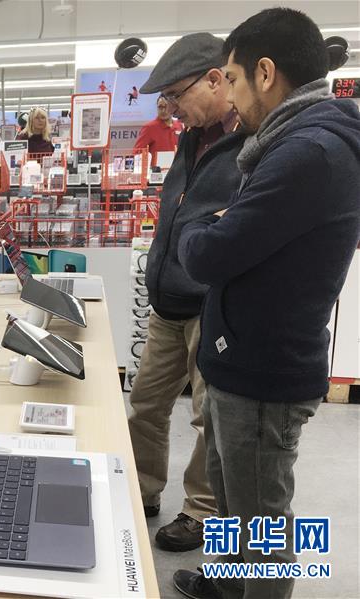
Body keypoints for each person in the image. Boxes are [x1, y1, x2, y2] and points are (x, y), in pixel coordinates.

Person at [174, 9, 360, 599]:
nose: (226, 96)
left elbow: (206, 252)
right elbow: (231, 239)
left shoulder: (307, 153)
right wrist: (219, 227)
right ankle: (229, 586)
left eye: (228, 79)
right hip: (245, 357)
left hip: (266, 368)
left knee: (263, 526)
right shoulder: (287, 143)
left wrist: (199, 225)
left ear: (264, 72)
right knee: (233, 495)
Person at [127, 32, 246, 553]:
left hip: (207, 307)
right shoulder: (188, 139)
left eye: (177, 95)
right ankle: (143, 489)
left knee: (207, 417)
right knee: (145, 404)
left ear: (216, 79)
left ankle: (201, 511)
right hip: (166, 303)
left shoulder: (251, 144)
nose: (171, 108)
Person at [133, 97, 184, 167]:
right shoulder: (149, 128)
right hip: (156, 174)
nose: (163, 110)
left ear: (172, 107)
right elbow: (137, 153)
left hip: (177, 170)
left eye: (166, 106)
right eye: (160, 107)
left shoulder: (180, 125)